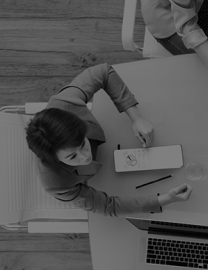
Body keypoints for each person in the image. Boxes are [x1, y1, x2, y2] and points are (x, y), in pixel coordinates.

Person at [25, 63, 193, 216]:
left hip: (117, 136)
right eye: (72, 156)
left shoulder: (63, 103)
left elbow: (103, 72)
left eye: (82, 144)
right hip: (105, 179)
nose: (85, 156)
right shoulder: (56, 184)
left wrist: (136, 118)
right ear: (54, 160)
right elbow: (107, 206)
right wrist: (165, 199)